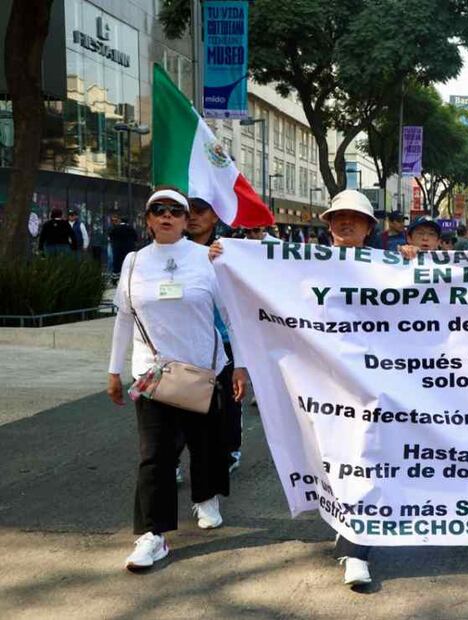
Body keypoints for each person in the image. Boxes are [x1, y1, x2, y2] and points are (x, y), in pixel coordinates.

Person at [209, 189, 378, 587]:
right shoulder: (300, 265)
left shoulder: (385, 265)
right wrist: (224, 258)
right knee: (329, 455)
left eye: (355, 217)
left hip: (371, 383)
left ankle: (357, 547)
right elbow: (257, 292)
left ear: (369, 227)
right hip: (318, 382)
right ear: (329, 225)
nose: (345, 222)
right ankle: (345, 522)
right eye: (338, 217)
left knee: (364, 455)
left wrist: (411, 260)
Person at [107, 187, 248, 572]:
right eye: (158, 210)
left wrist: (241, 364)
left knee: (207, 445)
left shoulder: (208, 259)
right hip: (153, 375)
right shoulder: (133, 263)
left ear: (187, 221)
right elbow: (123, 317)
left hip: (204, 370)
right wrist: (113, 369)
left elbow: (232, 315)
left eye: (175, 210)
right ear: (148, 219)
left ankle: (206, 497)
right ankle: (153, 535)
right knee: (155, 456)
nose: (166, 216)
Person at [187, 198, 244, 474]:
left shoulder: (229, 250)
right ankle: (171, 457)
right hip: (186, 341)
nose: (192, 218)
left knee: (229, 400)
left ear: (215, 217)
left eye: (200, 212)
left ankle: (230, 449)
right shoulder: (173, 252)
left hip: (225, 339)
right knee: (178, 401)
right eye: (188, 212)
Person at [108, 213, 139, 281]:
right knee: (128, 263)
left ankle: (115, 278)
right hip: (128, 249)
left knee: (117, 263)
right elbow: (136, 238)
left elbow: (111, 236)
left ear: (121, 221)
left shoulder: (116, 228)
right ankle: (128, 277)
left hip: (117, 248)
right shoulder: (130, 228)